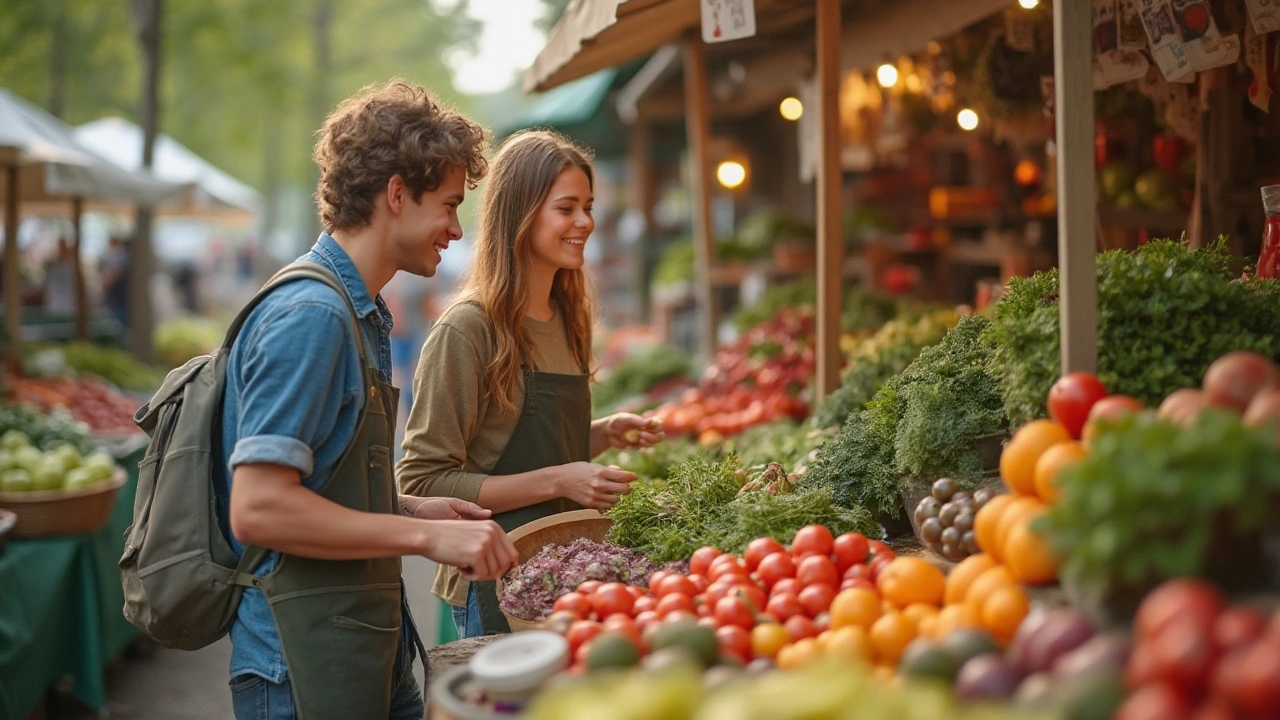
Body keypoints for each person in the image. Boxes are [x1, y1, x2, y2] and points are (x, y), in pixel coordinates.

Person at [215, 80, 518, 720]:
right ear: (397, 193)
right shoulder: (313, 315)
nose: (456, 229)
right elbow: (260, 508)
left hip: (355, 645)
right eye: (448, 204)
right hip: (300, 669)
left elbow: (318, 480)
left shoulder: (359, 310)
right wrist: (422, 539)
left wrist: (412, 507)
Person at [397, 130, 664, 639]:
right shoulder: (467, 329)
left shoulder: (567, 316)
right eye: (566, 208)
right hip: (494, 581)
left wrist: (602, 433)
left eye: (587, 206)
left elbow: (528, 448)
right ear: (521, 215)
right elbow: (422, 482)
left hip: (571, 572)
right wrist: (561, 481)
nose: (584, 222)